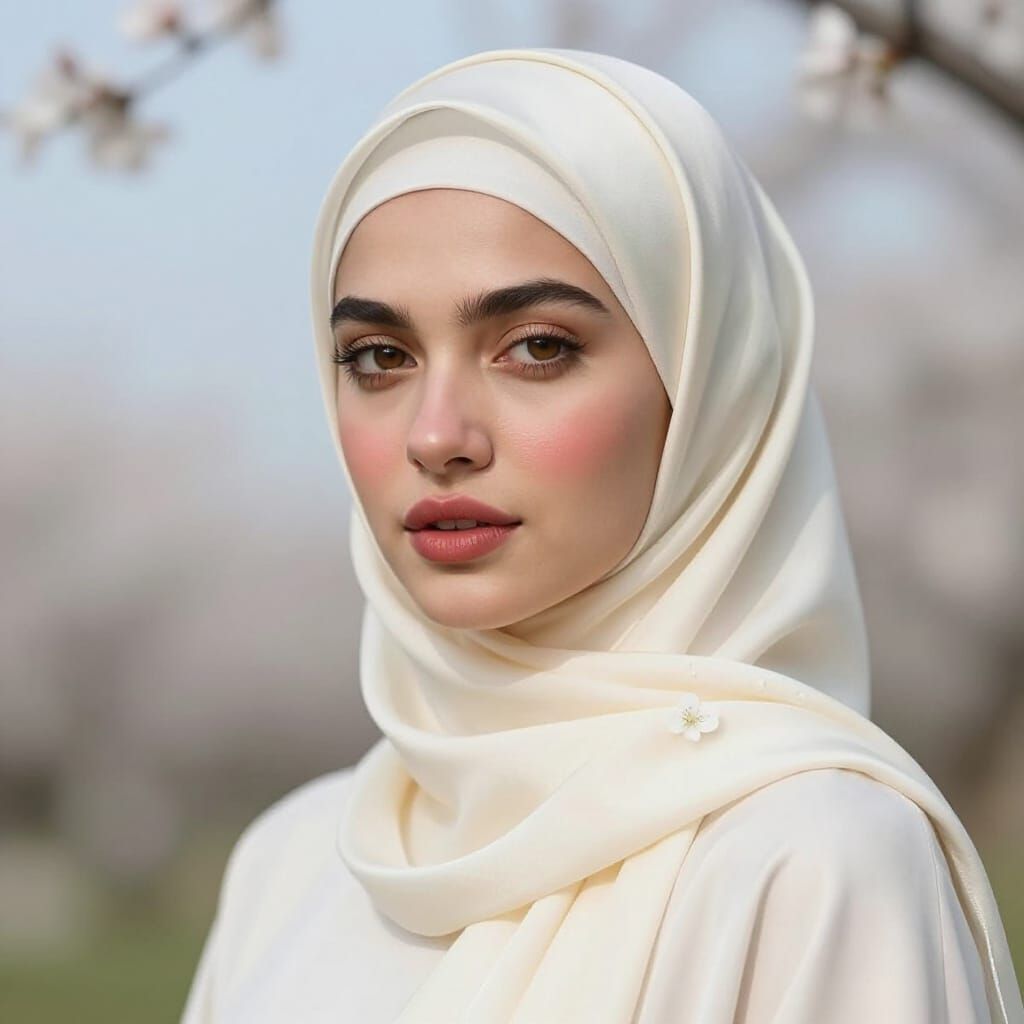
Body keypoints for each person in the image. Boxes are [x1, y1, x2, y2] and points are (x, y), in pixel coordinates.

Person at [180, 47, 1023, 1023]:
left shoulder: (811, 857)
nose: (436, 435)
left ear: (706, 381)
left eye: (537, 347)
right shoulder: (293, 859)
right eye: (379, 356)